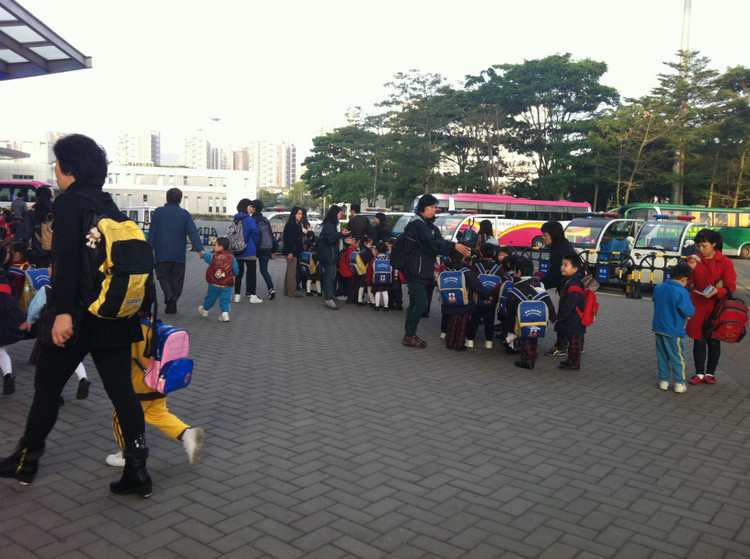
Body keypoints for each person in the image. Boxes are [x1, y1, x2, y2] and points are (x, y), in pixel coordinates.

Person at [0, 133, 152, 496]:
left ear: (68, 169)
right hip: (115, 316)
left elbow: (65, 262)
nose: (54, 170)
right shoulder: (108, 204)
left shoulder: (69, 204)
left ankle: (27, 460)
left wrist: (64, 314)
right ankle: (138, 471)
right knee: (122, 392)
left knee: (48, 388)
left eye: (56, 164)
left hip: (80, 316)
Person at [106, 294, 204, 467]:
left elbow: (125, 359)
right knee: (159, 414)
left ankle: (126, 454)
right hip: (159, 384)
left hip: (138, 387)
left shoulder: (134, 330)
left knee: (120, 418)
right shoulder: (155, 323)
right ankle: (187, 434)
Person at [402, 194, 472, 348]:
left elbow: (437, 241)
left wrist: (453, 245)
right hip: (415, 269)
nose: (435, 210)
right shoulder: (419, 225)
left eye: (435, 207)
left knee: (415, 303)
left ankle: (409, 334)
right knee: (421, 303)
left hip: (416, 268)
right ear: (423, 207)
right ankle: (409, 335)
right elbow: (432, 244)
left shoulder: (424, 224)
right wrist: (454, 246)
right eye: (431, 207)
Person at [18, 267, 91, 400]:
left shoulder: (46, 289)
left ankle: (56, 396)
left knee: (51, 366)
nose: (48, 269)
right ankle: (83, 378)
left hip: (50, 330)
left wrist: (29, 321)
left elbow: (34, 308)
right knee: (73, 358)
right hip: (73, 329)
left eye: (51, 267)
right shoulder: (78, 290)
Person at [685, 229, 737, 385]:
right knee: (698, 340)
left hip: (716, 306)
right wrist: (690, 269)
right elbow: (685, 283)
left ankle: (710, 373)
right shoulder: (694, 260)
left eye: (704, 246)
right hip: (698, 304)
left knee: (714, 341)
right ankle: (699, 373)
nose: (700, 250)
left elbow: (731, 287)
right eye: (698, 246)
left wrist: (717, 291)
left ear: (714, 244)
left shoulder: (726, 262)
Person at [148, 187, 204, 314]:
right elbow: (192, 232)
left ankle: (169, 295)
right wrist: (199, 249)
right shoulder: (184, 214)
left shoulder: (158, 212)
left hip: (161, 253)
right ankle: (172, 302)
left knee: (163, 277)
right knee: (177, 279)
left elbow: (152, 232)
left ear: (167, 198)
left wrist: (148, 249)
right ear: (180, 199)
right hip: (178, 254)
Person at [502, 257, 557, 369]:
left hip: (523, 319)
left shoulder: (516, 288)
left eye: (515, 272)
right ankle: (532, 356)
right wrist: (553, 316)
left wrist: (510, 322)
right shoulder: (539, 284)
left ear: (519, 272)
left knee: (525, 340)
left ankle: (527, 361)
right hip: (538, 318)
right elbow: (547, 300)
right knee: (533, 339)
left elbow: (510, 305)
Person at [438, 248, 493, 350]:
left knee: (451, 323)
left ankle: (449, 342)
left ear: (449, 258)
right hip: (465, 303)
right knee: (462, 325)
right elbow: (477, 286)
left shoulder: (446, 270)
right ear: (463, 258)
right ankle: (459, 344)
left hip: (449, 303)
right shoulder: (467, 272)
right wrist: (487, 296)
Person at [652, 263, 695, 393]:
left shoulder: (659, 287)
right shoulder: (682, 291)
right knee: (677, 356)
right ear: (684, 280)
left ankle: (663, 381)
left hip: (659, 327)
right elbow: (688, 311)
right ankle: (679, 383)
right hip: (674, 329)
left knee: (662, 355)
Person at [540, 221, 577, 357]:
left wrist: (539, 285)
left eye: (545, 235)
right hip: (577, 285)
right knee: (575, 317)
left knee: (563, 315)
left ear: (553, 235)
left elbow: (555, 275)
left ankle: (561, 346)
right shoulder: (563, 244)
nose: (543, 238)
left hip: (572, 287)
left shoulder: (558, 250)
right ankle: (576, 346)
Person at [0, 244, 26, 396]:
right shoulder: (3, 277)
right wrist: (20, 319)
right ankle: (8, 374)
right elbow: (8, 301)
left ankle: (8, 375)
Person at [467, 243, 503, 349]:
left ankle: (470, 340)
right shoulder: (498, 268)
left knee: (474, 320)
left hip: (477, 299)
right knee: (490, 321)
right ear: (494, 253)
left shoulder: (476, 266)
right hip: (492, 301)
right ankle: (488, 341)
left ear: (481, 253)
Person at [555, 253, 586, 371]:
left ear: (574, 269)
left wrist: (561, 316)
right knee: (572, 342)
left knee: (574, 343)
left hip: (574, 319)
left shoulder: (574, 284)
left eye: (566, 265)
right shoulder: (569, 281)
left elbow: (570, 304)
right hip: (572, 318)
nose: (562, 267)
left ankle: (574, 363)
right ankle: (570, 360)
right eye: (562, 264)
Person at [199, 237, 238, 322]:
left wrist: (203, 253)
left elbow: (206, 256)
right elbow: (235, 270)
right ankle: (225, 313)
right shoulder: (232, 258)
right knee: (225, 299)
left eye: (215, 245)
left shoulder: (214, 257)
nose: (214, 247)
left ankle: (205, 310)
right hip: (227, 284)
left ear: (220, 247)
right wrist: (233, 275)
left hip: (214, 283)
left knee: (211, 297)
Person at [318, 204, 350, 310]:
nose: (341, 216)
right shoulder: (330, 225)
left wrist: (342, 238)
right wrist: (341, 234)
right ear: (335, 214)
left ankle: (329, 296)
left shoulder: (330, 224)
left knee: (330, 277)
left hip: (330, 254)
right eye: (340, 214)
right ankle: (329, 299)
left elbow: (332, 239)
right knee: (330, 277)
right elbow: (330, 239)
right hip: (329, 255)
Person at [231, 199, 261, 304]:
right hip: (249, 250)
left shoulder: (235, 219)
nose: (251, 209)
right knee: (252, 273)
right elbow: (256, 233)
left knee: (239, 273)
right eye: (250, 207)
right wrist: (254, 243)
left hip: (238, 250)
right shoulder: (249, 219)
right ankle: (252, 295)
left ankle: (237, 295)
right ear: (246, 207)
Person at [17, 185, 54, 268]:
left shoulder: (31, 213)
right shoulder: (57, 210)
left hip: (38, 254)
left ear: (36, 196)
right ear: (50, 196)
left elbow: (24, 234)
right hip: (56, 253)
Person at [250, 199, 278, 300]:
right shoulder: (265, 220)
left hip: (254, 248)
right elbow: (271, 235)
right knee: (264, 270)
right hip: (265, 248)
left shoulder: (251, 220)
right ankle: (271, 289)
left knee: (251, 271)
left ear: (253, 208)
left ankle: (250, 291)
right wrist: (274, 250)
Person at [282, 207, 305, 297]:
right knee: (292, 273)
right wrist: (290, 252)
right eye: (298, 214)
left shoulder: (297, 224)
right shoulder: (290, 225)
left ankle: (288, 291)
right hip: (292, 251)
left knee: (289, 272)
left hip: (295, 251)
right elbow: (288, 239)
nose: (300, 216)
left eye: (301, 214)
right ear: (294, 214)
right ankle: (292, 292)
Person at [366, 241, 391, 311]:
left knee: (377, 292)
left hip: (376, 279)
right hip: (386, 279)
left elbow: (370, 271)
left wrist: (368, 280)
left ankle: (376, 305)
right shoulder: (388, 259)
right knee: (385, 292)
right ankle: (386, 306)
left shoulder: (374, 260)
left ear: (376, 250)